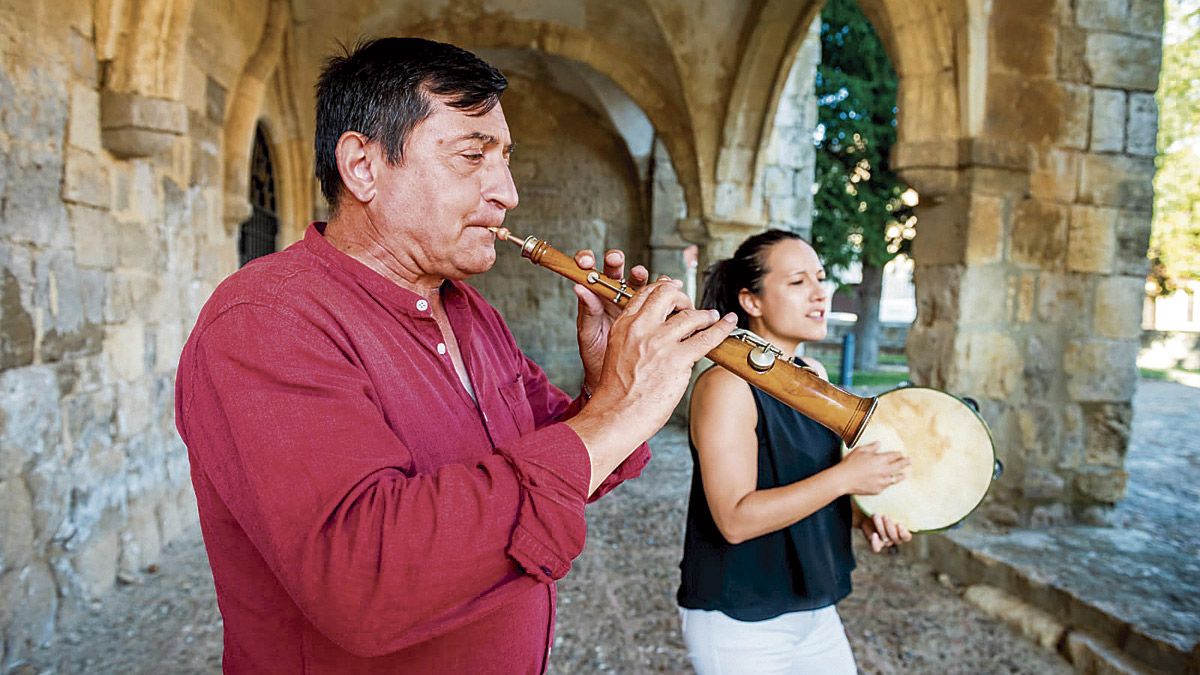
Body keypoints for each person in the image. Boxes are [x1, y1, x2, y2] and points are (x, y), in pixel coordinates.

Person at [174, 37, 736, 673]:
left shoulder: (468, 311)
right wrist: (618, 412)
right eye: (473, 157)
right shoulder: (266, 320)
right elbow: (365, 580)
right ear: (363, 166)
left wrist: (604, 389)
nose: (507, 193)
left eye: (505, 160)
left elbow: (556, 461)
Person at [676, 230, 912, 674]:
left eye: (820, 279)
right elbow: (735, 519)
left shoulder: (813, 373)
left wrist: (865, 513)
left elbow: (811, 476)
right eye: (798, 281)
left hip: (812, 605)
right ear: (752, 301)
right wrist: (846, 478)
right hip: (740, 618)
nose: (820, 293)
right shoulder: (726, 385)